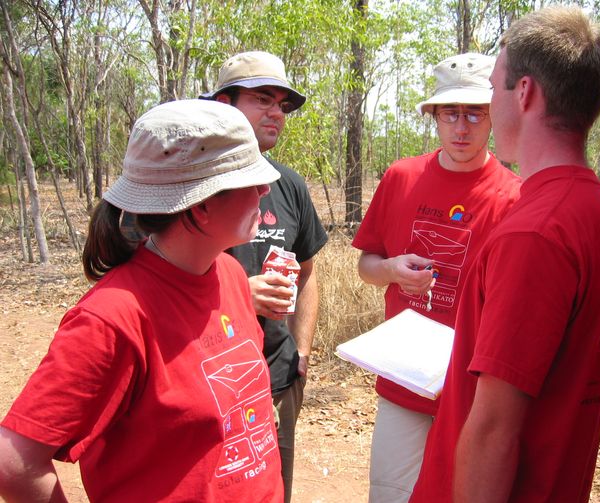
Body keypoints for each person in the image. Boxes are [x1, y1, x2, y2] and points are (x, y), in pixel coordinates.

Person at [0, 99, 284, 502]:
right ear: (201, 206)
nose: (265, 189)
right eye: (248, 180)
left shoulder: (231, 275)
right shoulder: (113, 318)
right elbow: (14, 461)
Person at [408, 6, 600, 502]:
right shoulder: (588, 207)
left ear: (524, 93)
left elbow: (493, 432)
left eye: (493, 88)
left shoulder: (535, 234)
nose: (489, 103)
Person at [352, 52, 521, 503]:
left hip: (472, 389)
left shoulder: (515, 197)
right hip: (403, 378)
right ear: (434, 116)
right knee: (391, 494)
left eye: (474, 113)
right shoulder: (400, 177)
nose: (461, 128)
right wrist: (390, 270)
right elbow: (367, 264)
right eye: (450, 113)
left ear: (493, 117)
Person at [200, 51, 328, 502]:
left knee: (274, 490)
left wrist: (303, 351)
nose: (277, 112)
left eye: (283, 104)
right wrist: (237, 295)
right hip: (210, 379)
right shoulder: (193, 183)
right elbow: (158, 280)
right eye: (262, 100)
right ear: (225, 103)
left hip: (277, 374)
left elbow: (308, 272)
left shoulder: (288, 184)